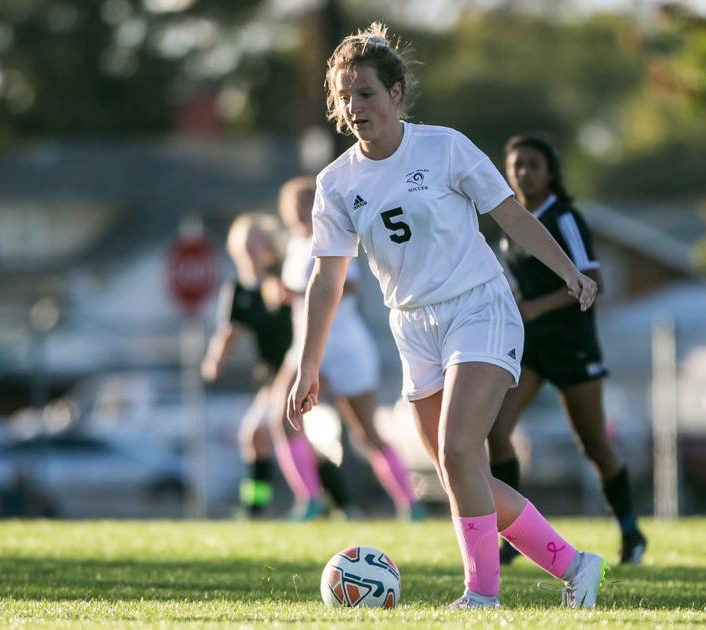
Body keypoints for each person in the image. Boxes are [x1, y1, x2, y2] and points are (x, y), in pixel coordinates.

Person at [287, 22, 607, 609]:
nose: (355, 108)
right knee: (463, 477)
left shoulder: (445, 147)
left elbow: (510, 216)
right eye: (344, 97)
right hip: (412, 327)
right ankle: (576, 565)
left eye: (367, 94)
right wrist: (308, 366)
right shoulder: (334, 184)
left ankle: (482, 597)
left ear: (397, 93)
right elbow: (326, 278)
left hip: (479, 308)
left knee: (461, 450)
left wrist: (568, 271)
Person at [490, 134, 648, 566]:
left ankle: (631, 531)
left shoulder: (564, 217)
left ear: (550, 172)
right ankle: (512, 535)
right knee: (496, 430)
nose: (524, 172)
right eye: (516, 164)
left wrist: (537, 307)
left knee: (594, 444)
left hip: (572, 344)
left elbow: (592, 275)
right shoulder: (510, 220)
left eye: (533, 164)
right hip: (530, 348)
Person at [272, 175, 420, 521]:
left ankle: (410, 503)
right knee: (281, 417)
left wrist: (295, 293)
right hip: (306, 346)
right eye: (293, 207)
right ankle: (309, 498)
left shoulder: (331, 238)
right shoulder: (293, 246)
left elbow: (346, 286)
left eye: (305, 204)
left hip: (345, 346)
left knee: (365, 432)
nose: (299, 212)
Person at [201, 215, 349, 517]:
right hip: (270, 375)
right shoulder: (239, 289)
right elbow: (230, 329)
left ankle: (284, 505)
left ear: (267, 246)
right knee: (278, 439)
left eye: (255, 242)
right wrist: (215, 359)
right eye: (243, 244)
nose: (249, 250)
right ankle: (336, 504)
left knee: (261, 434)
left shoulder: (281, 275)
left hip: (296, 370)